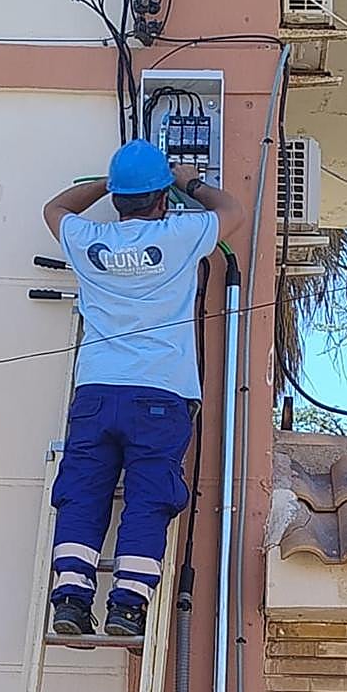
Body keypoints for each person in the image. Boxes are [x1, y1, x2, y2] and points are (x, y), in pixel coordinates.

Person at [41, 140, 244, 638]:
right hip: (160, 393)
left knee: (82, 494)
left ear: (117, 199)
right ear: (162, 198)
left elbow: (55, 208)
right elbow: (233, 211)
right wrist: (189, 181)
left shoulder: (87, 239)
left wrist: (104, 182)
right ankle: (127, 607)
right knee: (149, 497)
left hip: (96, 392)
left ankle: (71, 599)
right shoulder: (182, 234)